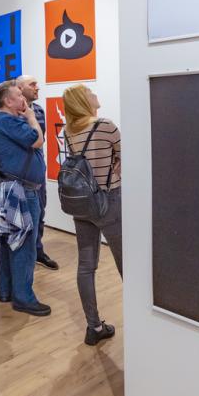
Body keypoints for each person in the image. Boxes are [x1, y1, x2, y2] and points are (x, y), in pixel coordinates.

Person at [62, 84, 123, 346]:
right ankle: (141, 323)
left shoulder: (68, 131)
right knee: (126, 263)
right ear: (83, 100)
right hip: (108, 201)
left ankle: (93, 326)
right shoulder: (105, 125)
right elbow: (126, 155)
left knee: (86, 266)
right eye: (89, 92)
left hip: (82, 204)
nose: (95, 94)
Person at [0, 80, 50, 317]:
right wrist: (31, 116)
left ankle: (7, 291)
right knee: (24, 246)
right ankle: (24, 298)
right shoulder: (8, 121)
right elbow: (37, 139)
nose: (23, 99)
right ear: (8, 101)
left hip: (15, 189)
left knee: (8, 243)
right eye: (18, 95)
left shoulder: (6, 121)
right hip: (22, 191)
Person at [16, 74, 59, 271]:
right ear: (19, 88)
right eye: (32, 84)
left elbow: (39, 140)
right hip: (19, 173)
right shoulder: (11, 113)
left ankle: (37, 250)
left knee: (39, 212)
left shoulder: (39, 110)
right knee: (15, 217)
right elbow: (28, 140)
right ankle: (10, 255)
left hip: (38, 171)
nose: (37, 87)